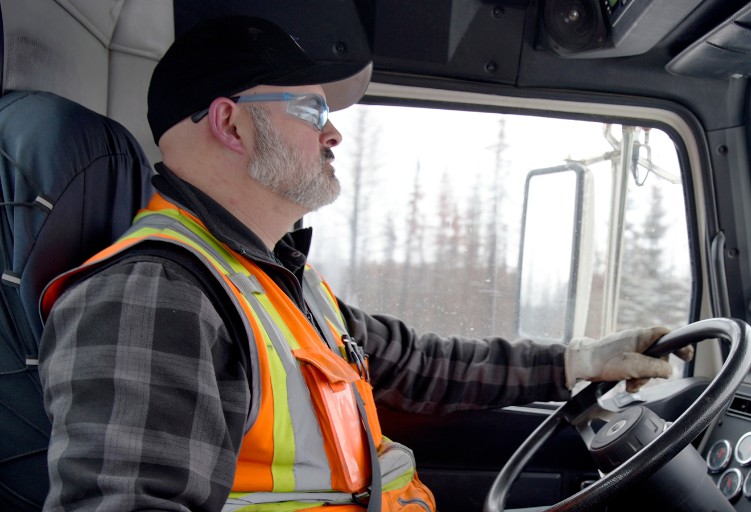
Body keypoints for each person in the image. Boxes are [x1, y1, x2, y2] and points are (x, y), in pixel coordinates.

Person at [37, 15, 688, 512]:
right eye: (312, 110)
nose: (334, 132)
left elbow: (413, 362)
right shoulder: (152, 296)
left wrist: (578, 361)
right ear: (231, 126)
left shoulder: (273, 281)